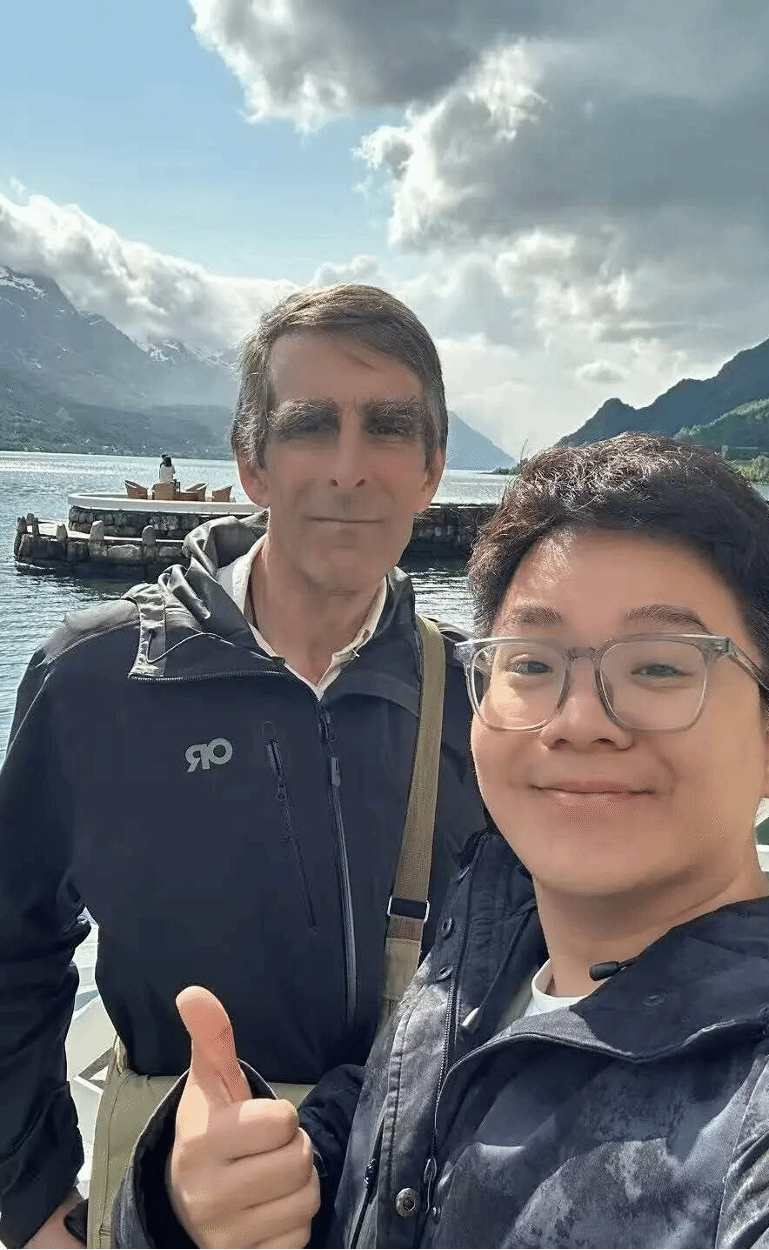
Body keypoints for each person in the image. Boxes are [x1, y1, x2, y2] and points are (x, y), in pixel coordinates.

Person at [116, 434, 769, 1249]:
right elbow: (399, 1114)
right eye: (533, 664)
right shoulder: (492, 933)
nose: (579, 720)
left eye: (659, 667)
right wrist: (218, 1192)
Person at [0, 285, 489, 1249]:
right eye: (310, 426)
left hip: (417, 1192)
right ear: (250, 463)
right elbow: (12, 945)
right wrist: (32, 1202)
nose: (349, 467)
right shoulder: (97, 679)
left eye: (389, 428)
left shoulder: (480, 699)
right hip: (164, 1203)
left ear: (432, 468)